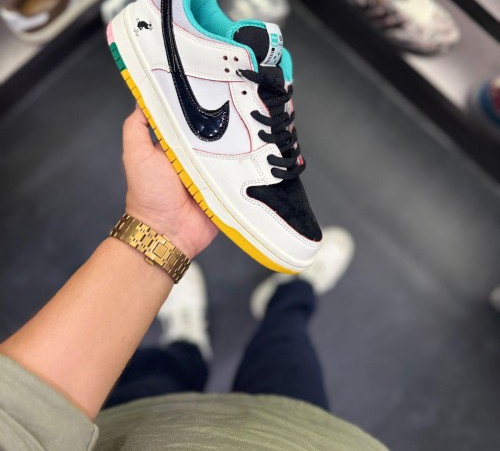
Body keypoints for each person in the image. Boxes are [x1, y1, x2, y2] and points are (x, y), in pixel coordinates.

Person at [0, 106, 387, 450]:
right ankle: (289, 295)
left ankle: (187, 341)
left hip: (137, 424)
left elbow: (20, 420)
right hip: (305, 436)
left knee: (162, 372)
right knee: (286, 342)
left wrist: (161, 229)